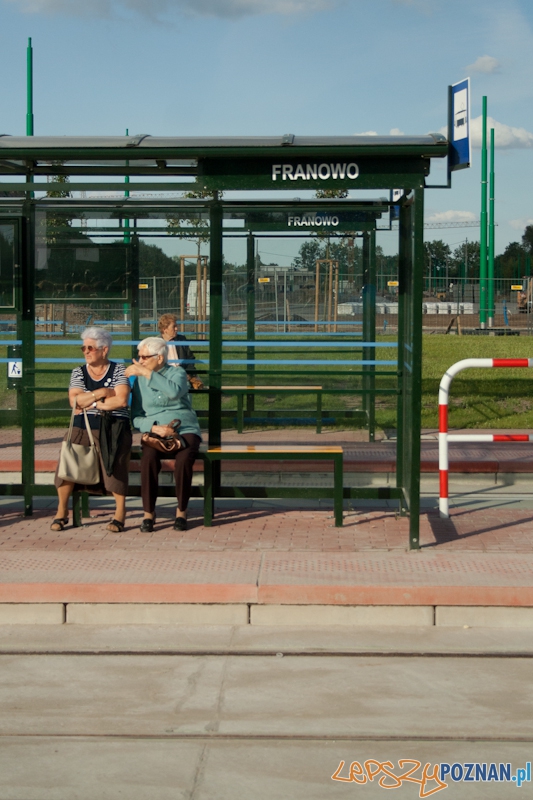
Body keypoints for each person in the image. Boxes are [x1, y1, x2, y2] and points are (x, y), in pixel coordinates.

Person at [51, 327, 131, 533]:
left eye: (90, 348)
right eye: (83, 348)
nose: (86, 351)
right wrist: (103, 393)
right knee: (68, 456)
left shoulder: (119, 370)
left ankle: (120, 513)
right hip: (82, 425)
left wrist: (90, 401)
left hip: (113, 424)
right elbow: (75, 401)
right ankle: (62, 511)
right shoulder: (78, 372)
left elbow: (121, 400)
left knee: (114, 458)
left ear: (104, 350)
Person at [126, 337, 202, 532]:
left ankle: (181, 511)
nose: (140, 361)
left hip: (183, 428)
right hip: (155, 431)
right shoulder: (140, 382)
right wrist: (153, 427)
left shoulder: (177, 373)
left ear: (159, 358)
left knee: (184, 460)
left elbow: (174, 392)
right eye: (139, 357)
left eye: (144, 357)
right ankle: (148, 513)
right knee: (148, 459)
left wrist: (146, 372)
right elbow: (135, 417)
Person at [158, 313, 204, 390]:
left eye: (176, 326)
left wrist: (189, 373)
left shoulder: (181, 339)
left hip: (182, 375)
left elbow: (190, 359)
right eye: (174, 327)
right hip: (165, 376)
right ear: (164, 329)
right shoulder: (157, 343)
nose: (177, 329)